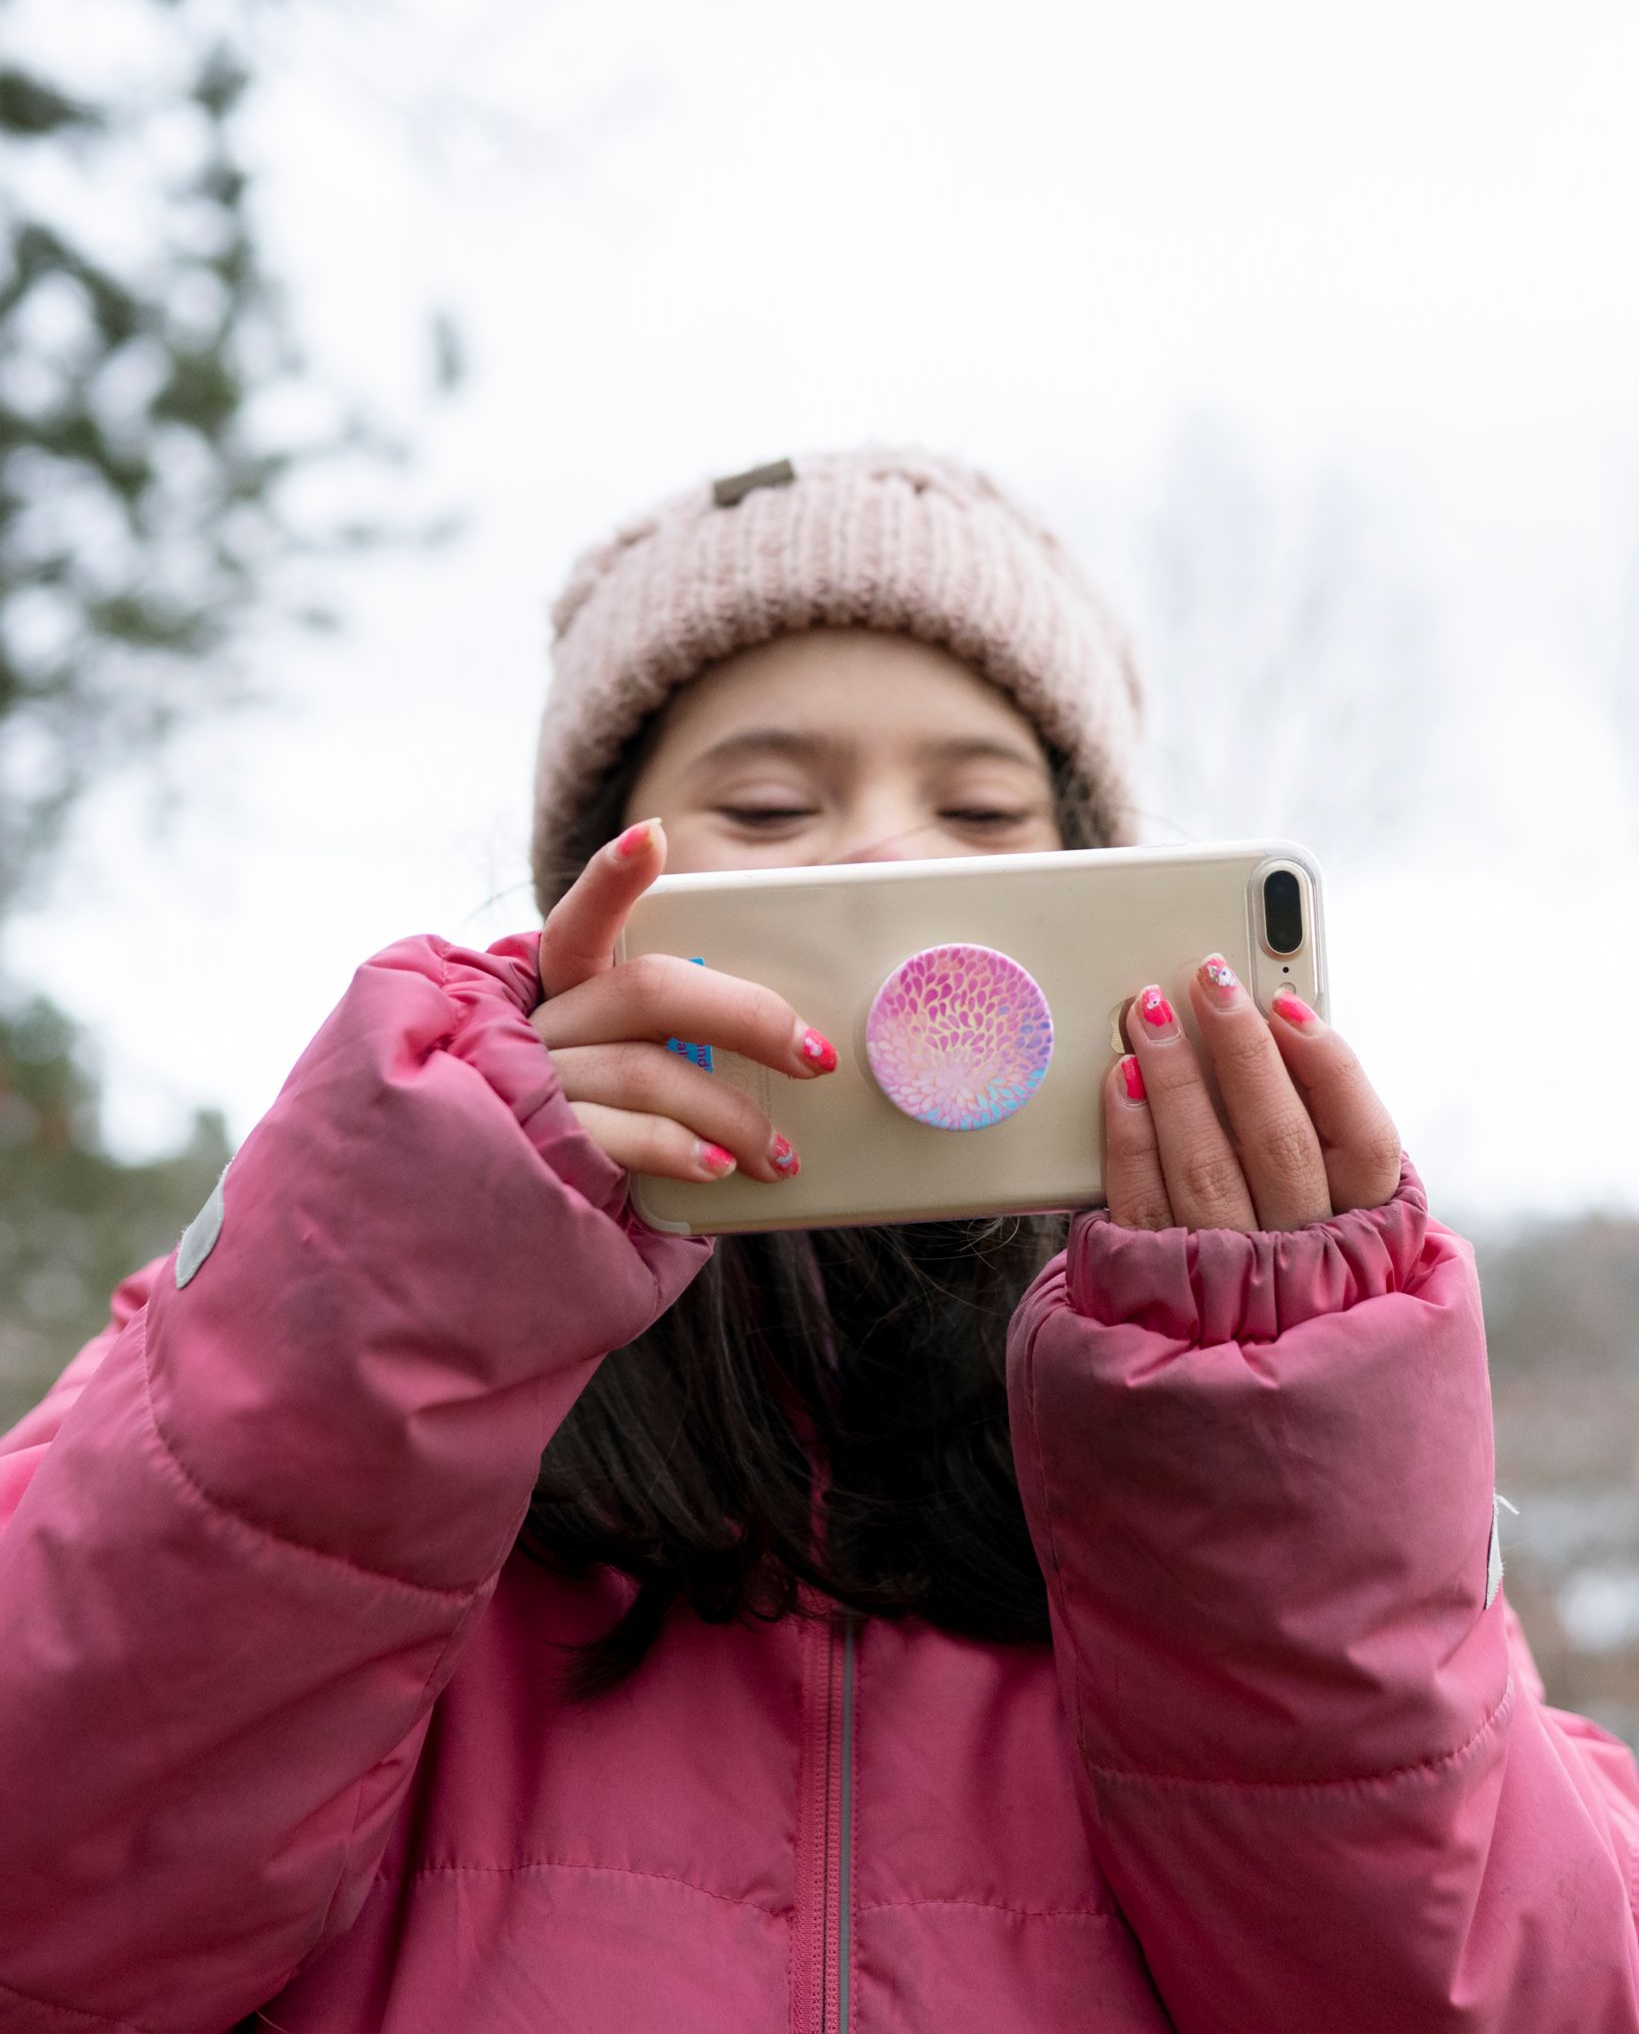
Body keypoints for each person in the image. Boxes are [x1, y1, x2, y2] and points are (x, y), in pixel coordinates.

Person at [0, 445, 1635, 2033]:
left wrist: (1269, 1440)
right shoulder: (312, 1364)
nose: (887, 857)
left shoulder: (1247, 1427)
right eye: (769, 803)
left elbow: (1515, 1983)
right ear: (587, 905)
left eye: (984, 808)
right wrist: (405, 1273)